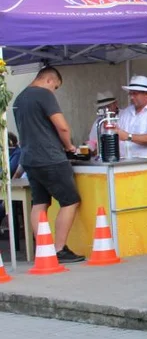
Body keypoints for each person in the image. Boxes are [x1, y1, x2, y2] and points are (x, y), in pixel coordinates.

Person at [11, 66, 84, 263]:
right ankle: (59, 249)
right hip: (50, 157)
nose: (54, 91)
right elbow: (61, 126)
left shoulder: (19, 99)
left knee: (40, 202)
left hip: (29, 159)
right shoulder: (43, 94)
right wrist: (69, 146)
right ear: (49, 81)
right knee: (70, 201)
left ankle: (43, 248)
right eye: (56, 87)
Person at [87, 91, 120, 155]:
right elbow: (92, 141)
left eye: (108, 106)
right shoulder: (99, 122)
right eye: (102, 107)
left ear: (115, 104)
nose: (106, 110)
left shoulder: (124, 116)